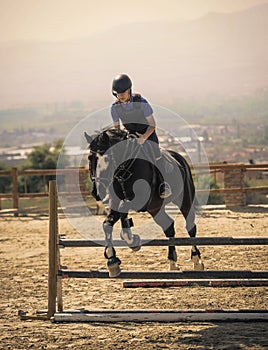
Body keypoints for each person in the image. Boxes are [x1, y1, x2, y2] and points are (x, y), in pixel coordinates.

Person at [110, 73, 172, 199]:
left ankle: (164, 184)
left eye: (123, 92)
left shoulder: (141, 102)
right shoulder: (114, 108)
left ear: (129, 90)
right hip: (131, 137)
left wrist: (143, 137)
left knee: (156, 154)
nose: (120, 96)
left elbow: (152, 124)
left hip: (147, 134)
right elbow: (117, 129)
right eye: (118, 93)